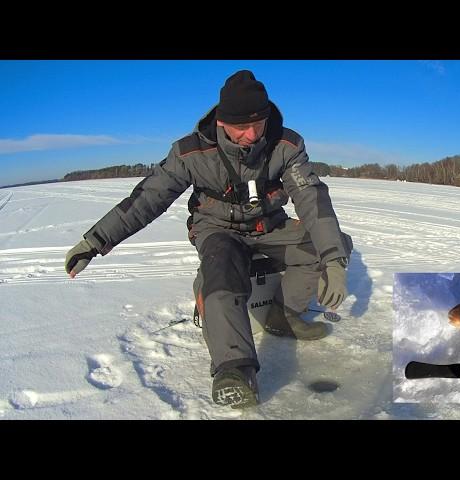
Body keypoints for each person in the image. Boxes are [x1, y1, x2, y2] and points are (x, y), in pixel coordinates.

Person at [65, 70, 353, 409]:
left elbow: (312, 199)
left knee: (332, 244)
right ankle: (235, 370)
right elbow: (146, 199)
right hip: (219, 229)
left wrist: (333, 259)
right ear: (221, 120)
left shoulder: (285, 145)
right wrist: (95, 241)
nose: (250, 135)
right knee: (220, 271)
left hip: (269, 227)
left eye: (258, 124)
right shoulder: (190, 152)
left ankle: (284, 316)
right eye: (241, 127)